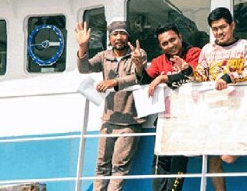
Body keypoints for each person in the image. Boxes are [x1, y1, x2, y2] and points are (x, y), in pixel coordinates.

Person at [76, 20, 147, 191]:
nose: (119, 37)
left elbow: (137, 77)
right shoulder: (104, 56)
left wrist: (114, 81)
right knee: (101, 166)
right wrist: (83, 47)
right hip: (108, 121)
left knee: (119, 167)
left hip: (130, 121)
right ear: (110, 37)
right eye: (115, 34)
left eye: (122, 33)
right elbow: (84, 68)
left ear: (128, 37)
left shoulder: (138, 54)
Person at [196, 7, 247, 191]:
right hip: (214, 111)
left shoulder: (245, 46)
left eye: (223, 27)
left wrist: (228, 78)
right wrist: (188, 71)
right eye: (215, 29)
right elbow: (201, 74)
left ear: (232, 25)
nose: (219, 32)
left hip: (240, 110)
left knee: (227, 157)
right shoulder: (207, 50)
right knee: (214, 159)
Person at [137, 23, 202, 191]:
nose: (170, 45)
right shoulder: (159, 61)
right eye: (165, 43)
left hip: (188, 117)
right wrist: (138, 65)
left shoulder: (195, 53)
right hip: (166, 117)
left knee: (180, 158)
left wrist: (162, 78)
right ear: (160, 46)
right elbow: (145, 81)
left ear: (180, 36)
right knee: (160, 158)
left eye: (173, 39)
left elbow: (192, 76)